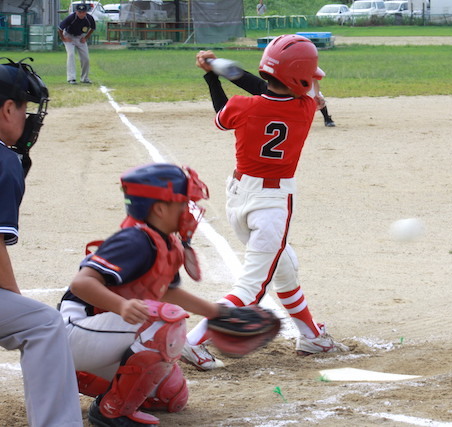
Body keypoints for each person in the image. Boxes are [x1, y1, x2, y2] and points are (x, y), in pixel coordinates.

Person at [58, 163, 279, 426]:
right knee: (165, 323)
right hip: (73, 332)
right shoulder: (133, 240)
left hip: (102, 335)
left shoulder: (164, 240)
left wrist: (219, 313)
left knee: (168, 395)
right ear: (160, 208)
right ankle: (111, 411)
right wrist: (121, 306)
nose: (190, 210)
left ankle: (78, 376)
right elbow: (82, 284)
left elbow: (167, 292)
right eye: (183, 203)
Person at [182, 35, 349, 371]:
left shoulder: (243, 107)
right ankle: (192, 341)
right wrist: (218, 68)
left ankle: (311, 335)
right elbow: (272, 86)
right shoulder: (305, 109)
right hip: (271, 205)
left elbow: (238, 102)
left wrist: (213, 72)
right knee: (252, 289)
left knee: (285, 267)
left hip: (238, 198)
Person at [0, 58, 83, 427]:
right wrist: (14, 302)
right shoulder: (4, 160)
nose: (30, 118)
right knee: (43, 324)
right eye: (25, 108)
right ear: (6, 109)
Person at [58, 3, 95, 84]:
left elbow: (92, 28)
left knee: (86, 58)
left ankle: (84, 78)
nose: (81, 14)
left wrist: (86, 37)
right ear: (76, 12)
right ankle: (71, 78)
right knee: (71, 55)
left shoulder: (89, 18)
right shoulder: (71, 18)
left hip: (80, 37)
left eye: (83, 12)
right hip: (69, 36)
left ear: (86, 12)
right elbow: (60, 29)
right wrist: (63, 39)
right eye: (79, 12)